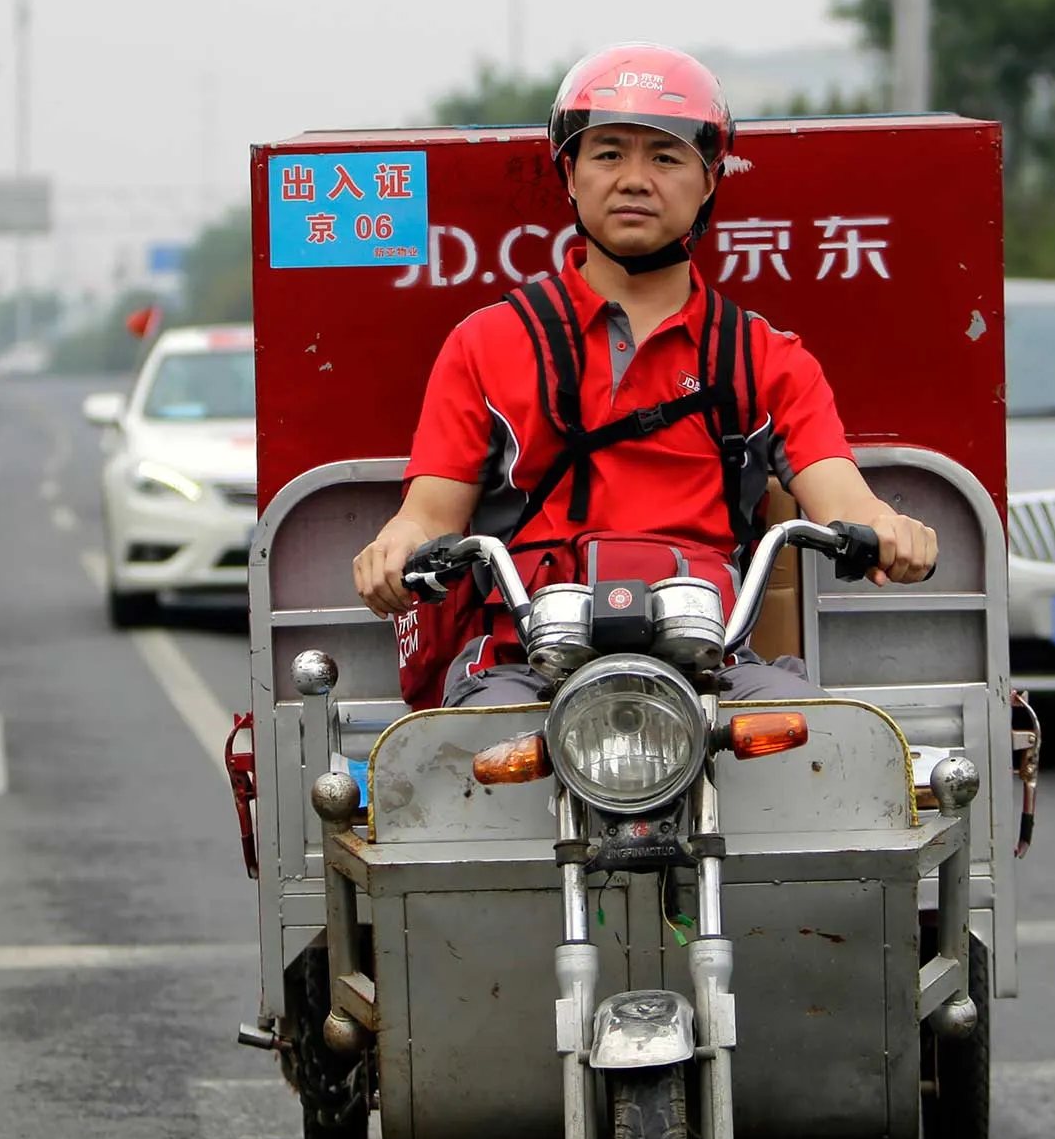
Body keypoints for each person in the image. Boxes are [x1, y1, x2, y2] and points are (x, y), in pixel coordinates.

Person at [351, 43, 937, 707]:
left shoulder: (766, 356)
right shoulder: (486, 343)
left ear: (710, 178)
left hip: (713, 669)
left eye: (664, 156)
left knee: (819, 752)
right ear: (570, 175)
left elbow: (844, 499)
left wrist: (886, 528)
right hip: (523, 665)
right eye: (608, 153)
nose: (635, 178)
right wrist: (394, 547)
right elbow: (426, 516)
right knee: (471, 779)